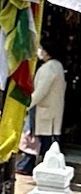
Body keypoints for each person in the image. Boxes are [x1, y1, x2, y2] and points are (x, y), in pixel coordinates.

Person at [25, 44, 67, 173]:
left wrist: (27, 104)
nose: (40, 51)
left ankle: (34, 165)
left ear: (47, 52)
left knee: (43, 140)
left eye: (42, 49)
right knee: (48, 139)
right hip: (52, 109)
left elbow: (40, 91)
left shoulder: (48, 68)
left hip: (44, 109)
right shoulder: (57, 66)